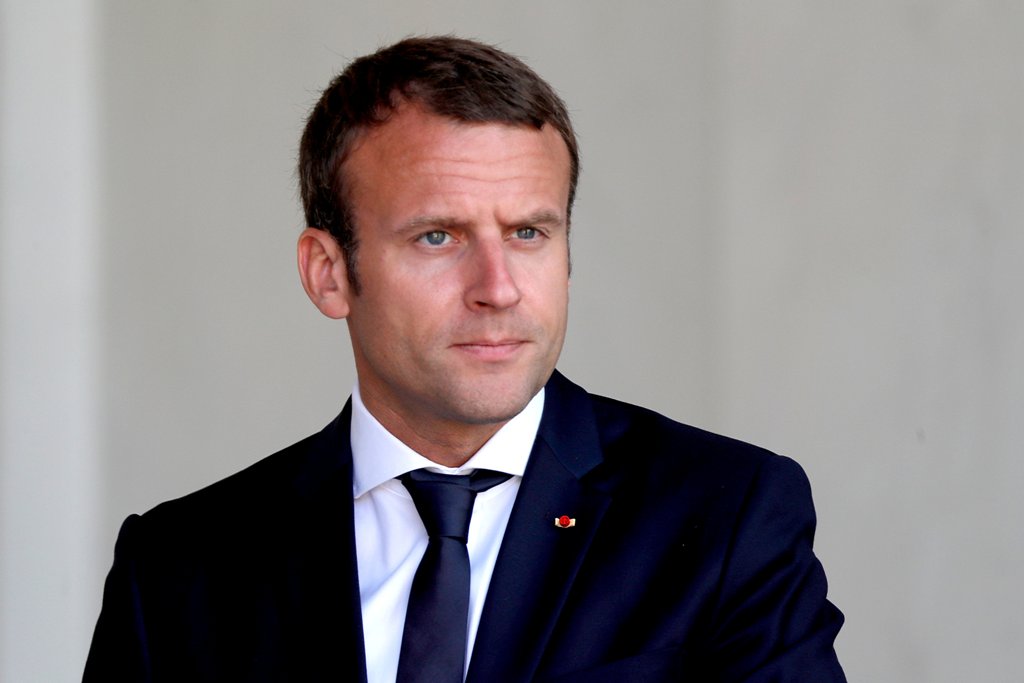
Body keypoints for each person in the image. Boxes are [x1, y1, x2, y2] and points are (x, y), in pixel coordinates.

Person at [84, 36, 846, 682]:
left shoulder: (729, 517)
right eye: (438, 237)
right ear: (329, 272)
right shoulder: (177, 570)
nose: (499, 288)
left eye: (528, 233)